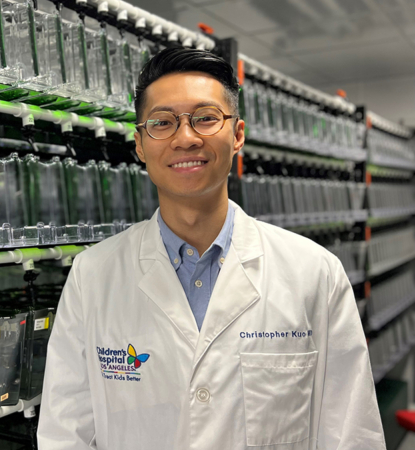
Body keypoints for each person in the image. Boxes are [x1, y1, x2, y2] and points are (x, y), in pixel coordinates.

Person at [37, 48, 385, 449]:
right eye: (162, 123)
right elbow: (66, 434)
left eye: (205, 118)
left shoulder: (314, 273)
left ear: (237, 135)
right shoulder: (93, 275)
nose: (185, 138)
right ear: (139, 144)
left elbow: (351, 433)